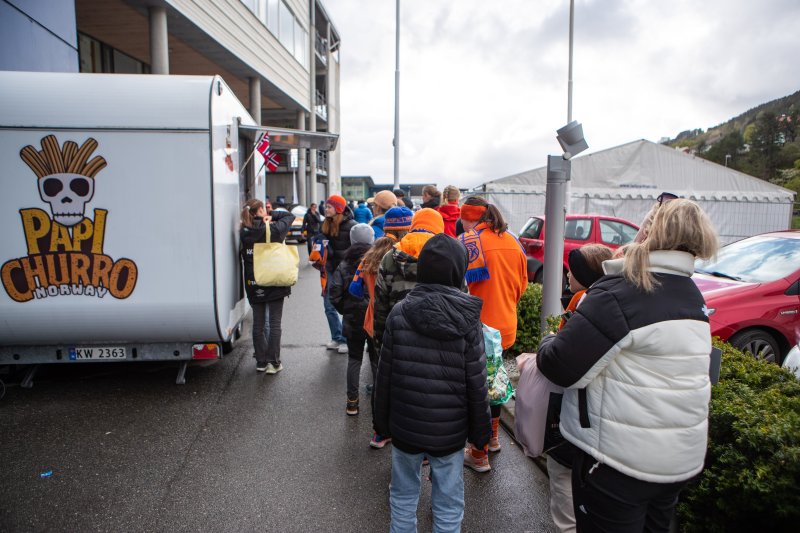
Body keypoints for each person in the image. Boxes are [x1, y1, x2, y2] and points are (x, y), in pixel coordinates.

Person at [537, 199, 718, 533]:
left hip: (618, 463)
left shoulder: (624, 290)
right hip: (680, 460)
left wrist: (548, 339)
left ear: (648, 231)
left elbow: (560, 365)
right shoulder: (691, 293)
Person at [372, 233, 491, 533]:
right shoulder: (468, 319)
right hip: (449, 432)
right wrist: (481, 434)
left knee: (402, 496)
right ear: (457, 270)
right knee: (449, 501)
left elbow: (384, 375)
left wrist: (381, 424)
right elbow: (477, 382)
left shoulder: (399, 313)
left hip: (405, 427)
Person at [457, 196, 528, 472]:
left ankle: (478, 453)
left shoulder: (468, 242)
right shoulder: (513, 241)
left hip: (477, 328)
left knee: (476, 392)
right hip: (506, 327)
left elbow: (458, 288)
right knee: (494, 384)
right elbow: (522, 286)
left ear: (469, 217)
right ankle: (494, 438)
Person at [548, 244, 613, 533]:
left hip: (576, 416)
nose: (567, 275)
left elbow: (562, 358)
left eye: (572, 271)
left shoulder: (582, 301)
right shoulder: (613, 302)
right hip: (602, 422)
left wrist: (546, 345)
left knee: (563, 481)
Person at [371, 207, 444, 449]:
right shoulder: (445, 255)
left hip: (399, 334)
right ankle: (425, 446)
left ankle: (393, 436)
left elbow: (380, 303)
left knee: (400, 390)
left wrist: (380, 341)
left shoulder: (391, 257)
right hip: (436, 336)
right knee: (429, 392)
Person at [239, 199, 295, 373]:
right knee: (274, 323)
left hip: (253, 281)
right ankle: (274, 362)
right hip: (274, 280)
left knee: (258, 323)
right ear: (262, 210)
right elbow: (289, 215)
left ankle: (261, 362)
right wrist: (271, 215)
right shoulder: (275, 230)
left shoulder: (244, 232)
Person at [328, 223, 376, 416]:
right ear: (372, 239)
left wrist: (345, 309)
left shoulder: (345, 263)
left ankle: (352, 403)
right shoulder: (378, 261)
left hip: (353, 317)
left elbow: (334, 294)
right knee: (376, 359)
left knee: (354, 359)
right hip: (374, 317)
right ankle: (378, 402)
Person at [321, 194, 357, 354]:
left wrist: (338, 255)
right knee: (329, 305)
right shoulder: (325, 224)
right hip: (328, 270)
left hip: (345, 271)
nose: (326, 209)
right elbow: (318, 243)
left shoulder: (352, 226)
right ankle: (336, 336)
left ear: (338, 209)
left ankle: (345, 340)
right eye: (326, 206)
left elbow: (357, 250)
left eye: (329, 207)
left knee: (346, 306)